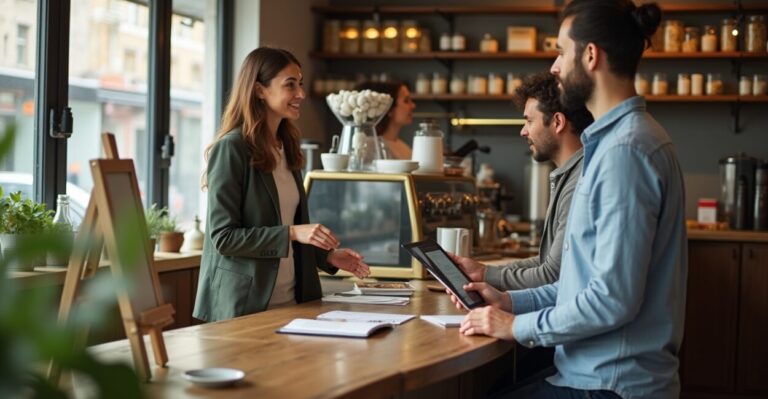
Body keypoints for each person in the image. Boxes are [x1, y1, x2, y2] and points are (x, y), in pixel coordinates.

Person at [450, 2, 687, 398]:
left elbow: (612, 300)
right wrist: (508, 301)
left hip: (610, 385)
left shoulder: (625, 152)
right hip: (593, 374)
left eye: (561, 51)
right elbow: (581, 285)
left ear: (591, 55)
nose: (555, 66)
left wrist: (515, 326)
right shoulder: (614, 144)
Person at [193, 47, 370, 323]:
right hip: (246, 307)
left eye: (300, 84)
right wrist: (293, 233)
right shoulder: (232, 148)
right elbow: (224, 238)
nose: (301, 94)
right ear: (259, 90)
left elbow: (287, 226)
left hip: (294, 302)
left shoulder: (287, 147)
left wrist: (328, 256)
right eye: (290, 85)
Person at [451, 72, 593, 291]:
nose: (523, 131)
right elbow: (546, 261)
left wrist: (489, 278)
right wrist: (483, 272)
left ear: (557, 122)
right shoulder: (571, 174)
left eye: (529, 120)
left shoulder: (579, 181)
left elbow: (552, 275)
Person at [353, 80, 416, 160]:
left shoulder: (402, 146)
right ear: (389, 107)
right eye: (406, 101)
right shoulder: (370, 148)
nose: (413, 105)